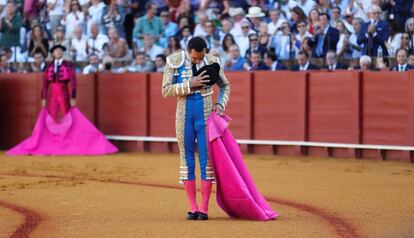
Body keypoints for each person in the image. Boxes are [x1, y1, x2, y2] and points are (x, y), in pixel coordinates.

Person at [161, 36, 230, 220]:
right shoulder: (174, 61)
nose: (198, 61)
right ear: (188, 51)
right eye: (194, 59)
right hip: (184, 117)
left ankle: (204, 208)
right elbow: (165, 90)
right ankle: (193, 208)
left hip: (206, 117)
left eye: (201, 58)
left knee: (206, 162)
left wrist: (220, 105)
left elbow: (225, 86)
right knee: (187, 160)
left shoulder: (213, 61)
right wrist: (189, 84)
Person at [7, 45, 118, 155]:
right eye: (56, 51)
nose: (59, 52)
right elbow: (45, 84)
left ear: (62, 53)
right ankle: (52, 143)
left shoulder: (68, 66)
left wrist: (73, 97)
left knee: (68, 119)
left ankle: (68, 142)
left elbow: (73, 82)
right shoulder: (49, 66)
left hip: (64, 93)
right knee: (51, 119)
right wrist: (43, 97)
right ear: (53, 54)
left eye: (60, 50)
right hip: (52, 96)